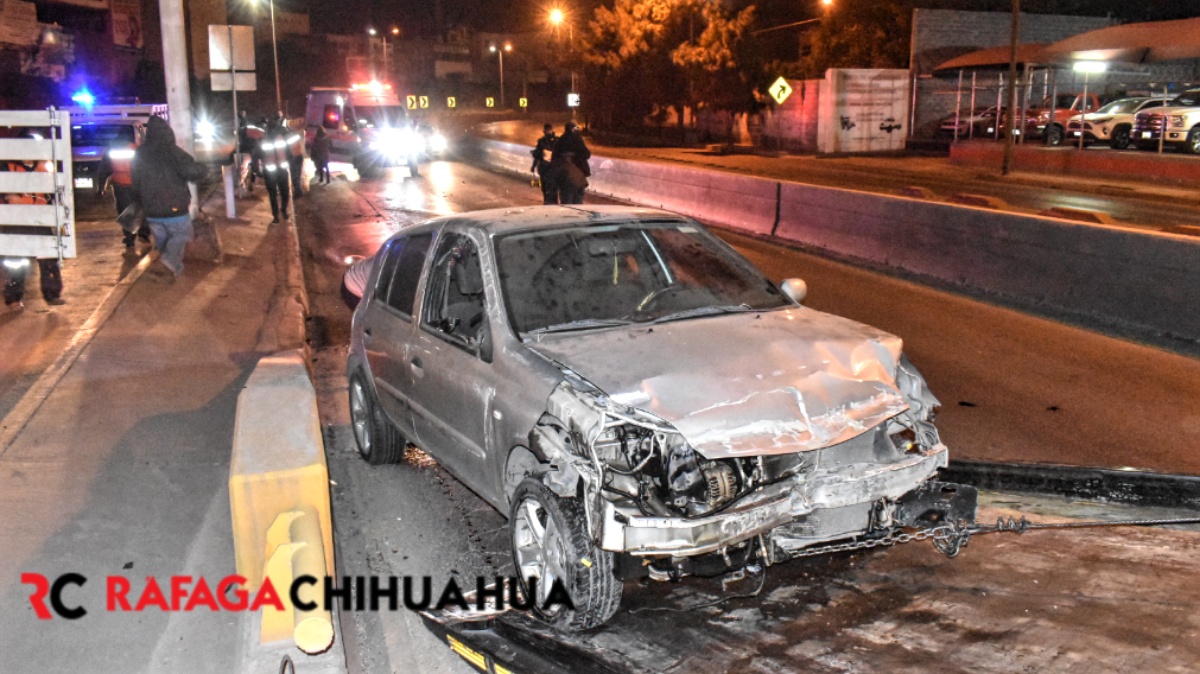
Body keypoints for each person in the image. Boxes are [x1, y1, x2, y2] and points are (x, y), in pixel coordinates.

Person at [131, 115, 209, 281]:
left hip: (151, 211)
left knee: (164, 242)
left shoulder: (140, 154)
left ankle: (174, 272)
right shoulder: (174, 152)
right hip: (174, 208)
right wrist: (204, 167)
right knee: (182, 234)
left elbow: (135, 182)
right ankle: (167, 264)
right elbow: (193, 172)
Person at [3, 130, 64, 310]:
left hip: (41, 218)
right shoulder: (8, 166)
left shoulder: (44, 165)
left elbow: (54, 188)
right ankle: (13, 298)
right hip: (18, 221)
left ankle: (52, 294)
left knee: (48, 259)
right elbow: (10, 195)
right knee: (16, 262)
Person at [255, 120, 293, 223]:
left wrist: (258, 169)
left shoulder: (265, 140)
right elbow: (289, 153)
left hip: (272, 170)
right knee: (283, 192)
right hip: (279, 169)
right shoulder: (278, 138)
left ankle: (278, 214)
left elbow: (258, 155)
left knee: (275, 194)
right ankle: (280, 212)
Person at [551, 121, 591, 205]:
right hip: (580, 178)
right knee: (578, 204)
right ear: (573, 129)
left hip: (565, 178)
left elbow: (554, 159)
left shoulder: (560, 141)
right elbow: (587, 154)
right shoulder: (578, 140)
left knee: (566, 205)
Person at [529, 123, 558, 204]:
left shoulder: (542, 141)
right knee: (551, 187)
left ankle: (547, 201)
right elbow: (537, 155)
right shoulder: (557, 140)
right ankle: (552, 202)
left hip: (546, 168)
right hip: (552, 168)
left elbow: (537, 155)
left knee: (546, 187)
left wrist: (534, 166)